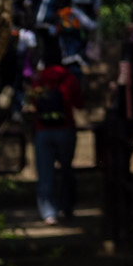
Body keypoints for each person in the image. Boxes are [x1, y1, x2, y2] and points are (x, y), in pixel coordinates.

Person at [29, 44, 82, 224]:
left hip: (42, 131)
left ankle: (48, 213)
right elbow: (79, 102)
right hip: (66, 129)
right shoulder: (69, 78)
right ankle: (67, 208)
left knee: (45, 173)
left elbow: (33, 102)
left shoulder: (39, 79)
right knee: (66, 169)